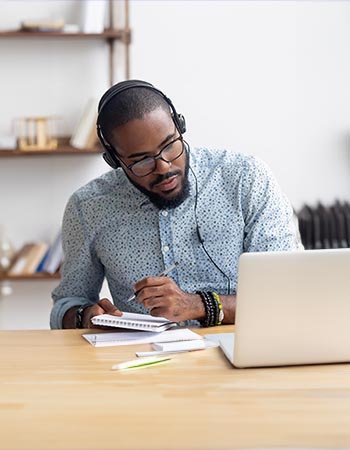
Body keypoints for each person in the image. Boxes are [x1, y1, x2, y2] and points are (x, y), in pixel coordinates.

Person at [50, 80, 301, 330]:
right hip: (141, 363)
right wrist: (85, 316)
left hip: (241, 356)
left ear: (180, 127)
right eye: (142, 161)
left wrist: (199, 305)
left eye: (170, 146)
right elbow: (66, 304)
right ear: (114, 160)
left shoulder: (246, 178)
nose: (164, 167)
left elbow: (287, 293)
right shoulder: (87, 207)